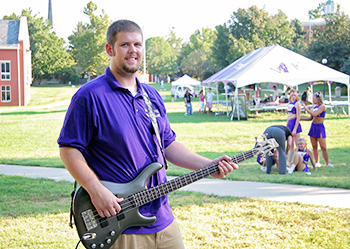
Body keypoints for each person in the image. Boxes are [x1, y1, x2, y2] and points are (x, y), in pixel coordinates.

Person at [57, 20, 238, 249]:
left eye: (138, 44)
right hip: (121, 223)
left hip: (163, 220)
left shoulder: (151, 95)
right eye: (125, 44)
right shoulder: (89, 96)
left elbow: (168, 144)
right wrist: (96, 190)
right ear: (109, 49)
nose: (133, 50)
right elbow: (69, 149)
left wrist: (208, 165)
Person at [301, 91, 333, 168]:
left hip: (319, 127)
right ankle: (317, 162)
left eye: (314, 98)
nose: (312, 100)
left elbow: (315, 114)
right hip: (313, 126)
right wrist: (300, 119)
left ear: (318, 98)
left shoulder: (322, 106)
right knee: (314, 146)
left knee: (323, 146)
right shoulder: (314, 107)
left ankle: (327, 163)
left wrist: (306, 109)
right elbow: (310, 118)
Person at [286, 89, 302, 167]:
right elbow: (288, 115)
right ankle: (289, 161)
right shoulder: (290, 103)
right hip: (289, 124)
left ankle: (300, 160)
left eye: (294, 95)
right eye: (292, 95)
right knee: (290, 144)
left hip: (295, 124)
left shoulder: (297, 104)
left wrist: (295, 129)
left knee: (297, 143)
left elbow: (298, 116)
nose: (293, 97)